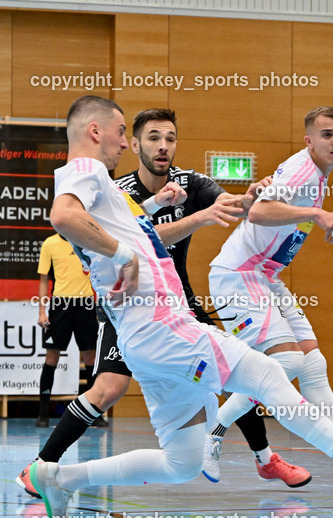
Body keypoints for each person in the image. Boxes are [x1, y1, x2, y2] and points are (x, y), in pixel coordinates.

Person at [26, 95, 333, 518]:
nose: (124, 143)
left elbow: (123, 228)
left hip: (146, 340)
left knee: (182, 463)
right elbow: (63, 215)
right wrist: (125, 253)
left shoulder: (103, 189)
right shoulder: (85, 170)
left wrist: (151, 213)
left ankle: (58, 476)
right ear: (95, 131)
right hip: (163, 327)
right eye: (122, 131)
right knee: (271, 374)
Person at [16, 108, 309, 497]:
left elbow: (235, 207)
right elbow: (128, 235)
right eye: (152, 137)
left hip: (177, 302)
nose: (163, 146)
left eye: (170, 138)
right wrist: (193, 218)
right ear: (134, 144)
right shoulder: (108, 184)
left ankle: (264, 457)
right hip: (132, 307)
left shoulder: (190, 181)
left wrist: (252, 197)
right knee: (107, 389)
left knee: (233, 369)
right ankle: (41, 467)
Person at [201, 106, 333, 495]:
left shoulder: (317, 175)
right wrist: (318, 214)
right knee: (286, 360)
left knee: (313, 365)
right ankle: (215, 430)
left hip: (264, 276)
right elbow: (257, 212)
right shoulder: (304, 170)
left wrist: (318, 216)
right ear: (309, 140)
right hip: (237, 276)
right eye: (326, 134)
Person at [35, 233, 98, 428]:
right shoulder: (50, 243)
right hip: (60, 304)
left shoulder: (87, 239)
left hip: (86, 304)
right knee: (51, 358)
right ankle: (43, 413)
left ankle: (93, 413)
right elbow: (44, 279)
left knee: (91, 359)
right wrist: (42, 312)